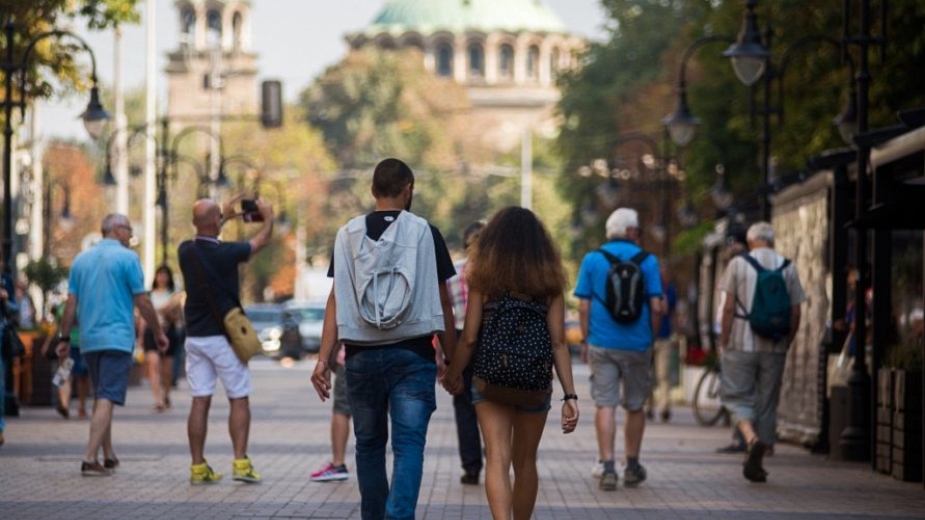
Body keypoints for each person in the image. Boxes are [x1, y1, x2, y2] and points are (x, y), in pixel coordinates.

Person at [310, 157, 456, 520]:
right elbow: (443, 301)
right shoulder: (425, 232)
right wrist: (451, 360)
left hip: (360, 356)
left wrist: (323, 359)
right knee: (408, 447)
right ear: (408, 191)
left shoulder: (347, 235)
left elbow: (335, 299)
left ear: (373, 191)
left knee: (369, 446)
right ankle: (399, 516)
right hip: (413, 354)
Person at [442, 206, 578, 520]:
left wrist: (453, 373)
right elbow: (559, 342)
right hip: (534, 381)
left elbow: (470, 337)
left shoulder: (482, 276)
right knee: (526, 462)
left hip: (490, 378)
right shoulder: (550, 281)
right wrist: (569, 396)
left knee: (498, 459)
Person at [54, 213, 168, 476]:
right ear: (116, 229)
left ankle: (108, 454)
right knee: (107, 396)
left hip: (89, 340)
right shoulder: (128, 259)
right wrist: (159, 332)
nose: (130, 235)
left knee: (102, 395)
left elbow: (71, 304)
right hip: (117, 338)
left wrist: (63, 338)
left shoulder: (81, 260)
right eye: (128, 229)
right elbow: (143, 302)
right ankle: (90, 456)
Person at [177, 195, 274, 485]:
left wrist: (224, 215)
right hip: (224, 338)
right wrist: (267, 218)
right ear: (215, 222)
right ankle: (240, 463)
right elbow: (260, 242)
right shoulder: (228, 252)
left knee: (200, 399)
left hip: (195, 337)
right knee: (238, 398)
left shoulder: (185, 251)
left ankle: (197, 466)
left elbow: (207, 227)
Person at [574, 207, 663, 491]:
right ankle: (633, 465)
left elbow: (583, 305)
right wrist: (651, 337)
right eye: (636, 229)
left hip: (602, 343)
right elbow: (658, 306)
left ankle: (608, 465)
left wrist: (586, 340)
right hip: (638, 344)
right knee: (635, 405)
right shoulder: (648, 261)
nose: (638, 234)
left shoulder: (592, 259)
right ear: (629, 232)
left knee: (606, 403)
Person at [718, 221, 805, 483]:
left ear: (751, 240)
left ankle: (750, 437)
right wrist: (786, 342)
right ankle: (760, 455)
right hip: (775, 344)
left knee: (737, 395)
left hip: (741, 342)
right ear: (772, 240)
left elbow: (728, 307)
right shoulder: (788, 267)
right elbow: (796, 311)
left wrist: (725, 340)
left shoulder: (738, 264)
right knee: (767, 401)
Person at [445, 220, 485, 485]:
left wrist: (444, 357)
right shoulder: (498, 274)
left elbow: (445, 315)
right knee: (495, 400)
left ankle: (471, 467)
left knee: (463, 405)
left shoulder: (452, 274)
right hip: (489, 337)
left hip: (459, 338)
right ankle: (499, 457)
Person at [138, 264, 179, 412]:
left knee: (167, 369)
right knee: (153, 364)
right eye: (160, 274)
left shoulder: (174, 294)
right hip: (151, 332)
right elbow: (144, 317)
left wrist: (168, 312)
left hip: (168, 331)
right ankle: (157, 400)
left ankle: (166, 393)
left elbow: (178, 317)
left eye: (165, 274)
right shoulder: (149, 295)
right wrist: (141, 336)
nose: (162, 277)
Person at [309, 343, 352, 482]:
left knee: (341, 410)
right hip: (398, 357)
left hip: (353, 357)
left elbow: (332, 322)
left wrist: (323, 361)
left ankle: (338, 464)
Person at [42, 303, 90, 420]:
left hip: (70, 344)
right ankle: (79, 406)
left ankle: (65, 404)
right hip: (82, 344)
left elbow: (57, 327)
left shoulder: (63, 306)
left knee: (65, 374)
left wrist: (47, 344)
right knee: (81, 376)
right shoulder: (88, 303)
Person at [648, 264, 677, 423]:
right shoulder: (649, 289)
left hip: (665, 337)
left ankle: (665, 407)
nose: (663, 277)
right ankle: (648, 405)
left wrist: (676, 332)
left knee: (663, 374)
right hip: (648, 337)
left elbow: (672, 312)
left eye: (666, 274)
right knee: (647, 375)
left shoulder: (671, 291)